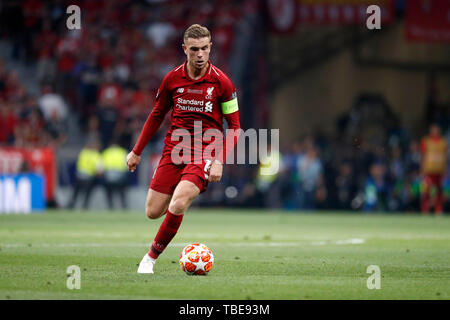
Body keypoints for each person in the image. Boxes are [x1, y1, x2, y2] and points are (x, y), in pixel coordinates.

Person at [126, 24, 241, 274]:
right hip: (174, 151)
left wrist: (220, 160)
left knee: (177, 204)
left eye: (204, 49)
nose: (200, 54)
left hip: (206, 153)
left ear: (210, 47)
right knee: (153, 212)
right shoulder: (172, 79)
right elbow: (156, 115)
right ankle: (168, 226)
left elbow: (235, 127)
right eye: (194, 49)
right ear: (184, 49)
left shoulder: (223, 83)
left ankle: (149, 259)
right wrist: (137, 151)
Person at [420, 123, 447, 215]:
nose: (434, 131)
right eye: (433, 129)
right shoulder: (426, 141)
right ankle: (425, 209)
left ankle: (438, 210)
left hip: (439, 171)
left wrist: (446, 169)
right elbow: (423, 156)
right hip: (429, 170)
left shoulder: (443, 142)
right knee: (426, 191)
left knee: (439, 191)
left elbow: (445, 157)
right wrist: (422, 169)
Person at [68, 139, 103, 209]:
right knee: (87, 194)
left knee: (76, 193)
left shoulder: (83, 152)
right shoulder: (96, 155)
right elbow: (99, 171)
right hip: (88, 178)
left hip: (79, 176)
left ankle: (71, 205)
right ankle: (85, 206)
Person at [102, 141, 128, 210]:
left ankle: (110, 205)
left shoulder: (106, 152)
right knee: (122, 191)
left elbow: (100, 167)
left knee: (108, 190)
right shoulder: (122, 152)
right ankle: (124, 205)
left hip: (109, 177)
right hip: (120, 177)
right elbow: (127, 166)